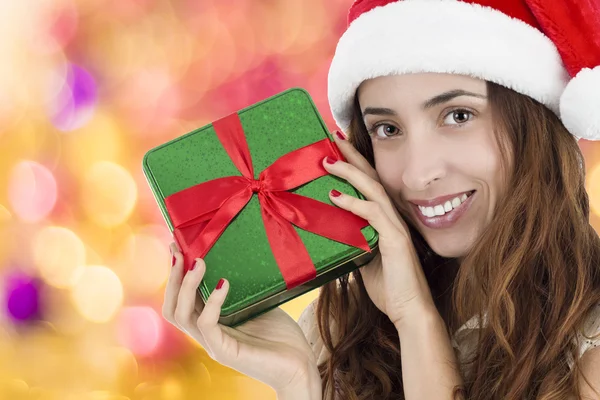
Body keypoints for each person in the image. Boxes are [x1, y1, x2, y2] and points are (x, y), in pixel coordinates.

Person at [161, 0, 600, 399]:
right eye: (387, 129)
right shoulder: (336, 330)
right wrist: (298, 382)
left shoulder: (588, 342)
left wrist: (416, 319)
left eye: (458, 116)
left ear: (535, 124)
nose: (417, 172)